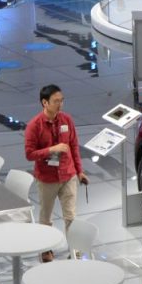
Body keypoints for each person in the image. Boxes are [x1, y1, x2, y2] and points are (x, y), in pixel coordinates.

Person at [26, 85, 87, 245]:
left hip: (68, 175)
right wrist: (51, 150)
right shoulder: (34, 125)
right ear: (44, 103)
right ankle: (46, 250)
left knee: (71, 217)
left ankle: (75, 252)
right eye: (56, 101)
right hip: (47, 179)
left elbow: (74, 146)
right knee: (46, 218)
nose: (60, 104)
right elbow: (29, 154)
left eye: (62, 101)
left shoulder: (67, 120)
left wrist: (79, 171)